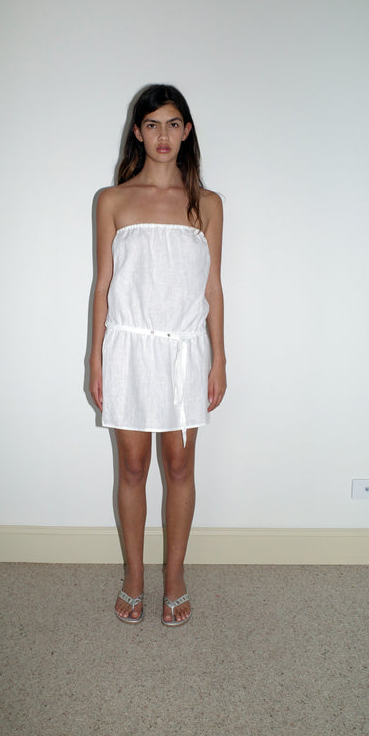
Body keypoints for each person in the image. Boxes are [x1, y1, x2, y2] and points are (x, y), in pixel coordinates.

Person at [89, 84, 226, 626]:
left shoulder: (207, 205)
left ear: (186, 131)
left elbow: (213, 288)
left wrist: (220, 359)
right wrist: (93, 360)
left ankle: (175, 578)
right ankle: (133, 578)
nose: (162, 135)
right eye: (152, 124)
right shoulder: (113, 200)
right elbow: (102, 286)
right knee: (132, 465)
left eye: (173, 124)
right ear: (137, 132)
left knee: (179, 465)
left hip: (185, 353)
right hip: (127, 349)